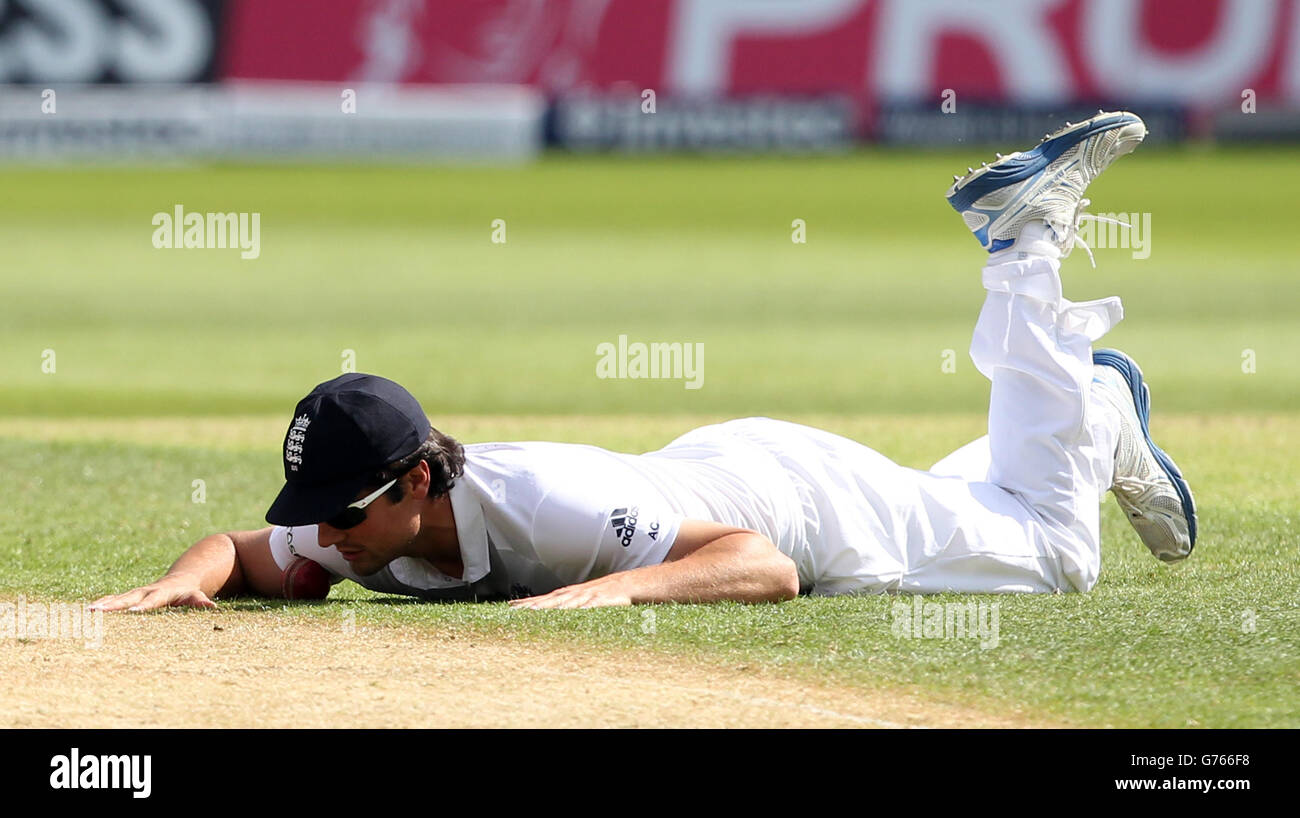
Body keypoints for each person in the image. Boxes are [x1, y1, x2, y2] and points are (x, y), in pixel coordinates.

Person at [91, 110, 1196, 614]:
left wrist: (592, 600)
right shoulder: (371, 512)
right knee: (974, 499)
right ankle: (1089, 413)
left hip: (790, 504)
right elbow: (241, 547)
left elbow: (761, 563)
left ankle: (1024, 248)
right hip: (707, 469)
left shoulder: (553, 504)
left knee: (1056, 554)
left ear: (419, 477)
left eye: (343, 512)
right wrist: (177, 584)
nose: (325, 535)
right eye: (320, 513)